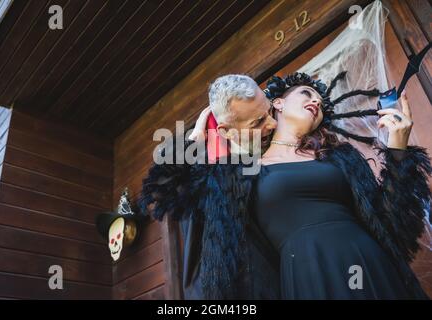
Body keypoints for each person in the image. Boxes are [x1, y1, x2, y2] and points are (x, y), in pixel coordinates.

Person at [140, 71, 431, 299]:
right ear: (278, 103)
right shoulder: (238, 173)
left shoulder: (341, 157)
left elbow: (394, 226)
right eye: (306, 92)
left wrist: (398, 150)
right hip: (306, 277)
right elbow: (164, 193)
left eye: (319, 99)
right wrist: (194, 140)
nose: (316, 100)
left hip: (370, 262)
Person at [140, 74, 280, 299]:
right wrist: (194, 139)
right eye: (258, 122)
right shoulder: (198, 165)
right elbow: (158, 191)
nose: (272, 124)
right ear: (226, 130)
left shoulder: (274, 146)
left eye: (269, 111)